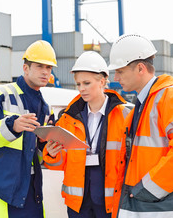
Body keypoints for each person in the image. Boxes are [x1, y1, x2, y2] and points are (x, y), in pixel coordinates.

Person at [108, 34, 173, 218]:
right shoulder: (141, 106)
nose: (116, 77)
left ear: (140, 68)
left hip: (168, 206)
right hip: (152, 205)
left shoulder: (171, 98)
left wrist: (148, 188)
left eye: (120, 71)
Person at [0, 40, 57, 218]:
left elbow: (36, 152)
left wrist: (47, 149)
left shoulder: (46, 108)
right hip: (1, 188)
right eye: (39, 66)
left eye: (49, 68)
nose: (45, 72)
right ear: (25, 68)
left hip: (31, 189)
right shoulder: (0, 95)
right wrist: (12, 126)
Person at [43, 51, 130, 218]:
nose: (81, 89)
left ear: (103, 81)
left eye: (87, 83)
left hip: (110, 201)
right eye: (78, 84)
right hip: (78, 203)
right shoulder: (67, 118)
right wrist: (52, 154)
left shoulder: (125, 116)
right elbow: (58, 164)